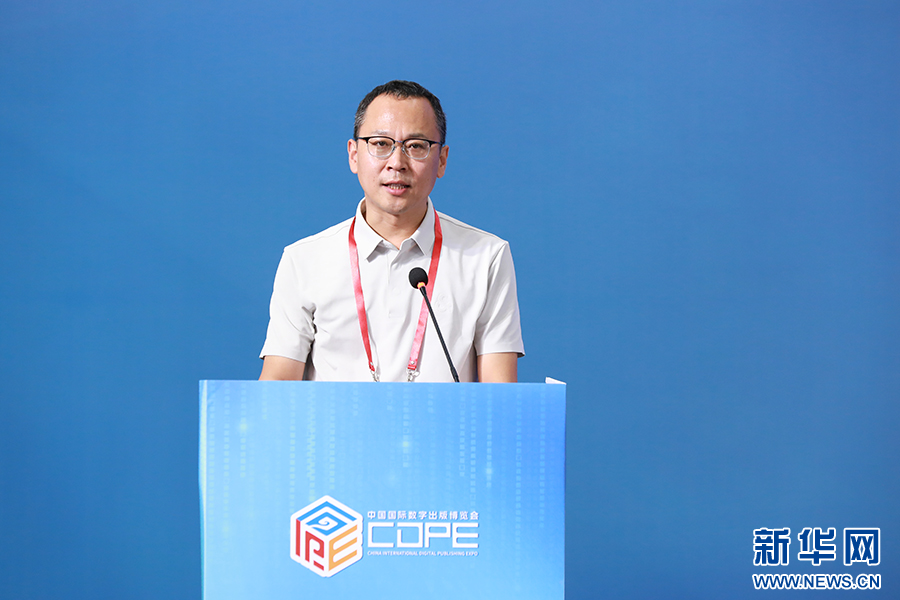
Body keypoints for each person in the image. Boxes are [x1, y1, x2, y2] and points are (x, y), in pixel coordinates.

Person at [259, 80, 523, 382]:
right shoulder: (303, 260)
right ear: (354, 155)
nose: (397, 163)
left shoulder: (486, 257)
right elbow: (276, 389)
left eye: (416, 146)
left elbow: (500, 395)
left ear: (442, 160)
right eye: (381, 144)